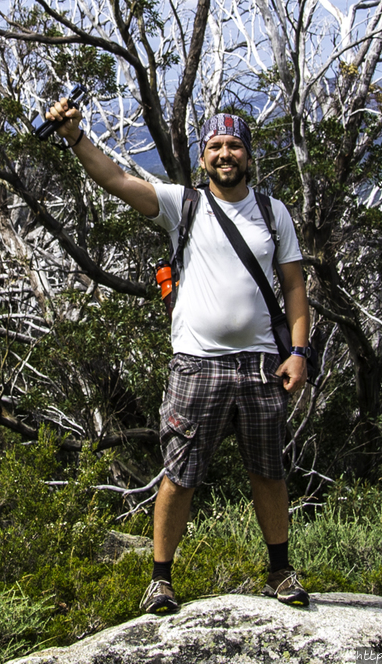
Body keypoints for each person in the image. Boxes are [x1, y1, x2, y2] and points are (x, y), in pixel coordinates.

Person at [44, 100, 312, 612]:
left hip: (260, 364)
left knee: (269, 473)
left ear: (249, 157)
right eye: (215, 146)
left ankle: (279, 571)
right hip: (196, 363)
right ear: (203, 158)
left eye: (234, 145)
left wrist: (297, 351)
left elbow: (295, 285)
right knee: (180, 474)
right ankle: (160, 579)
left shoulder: (274, 213)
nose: (225, 153)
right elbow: (118, 181)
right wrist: (76, 137)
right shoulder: (181, 204)